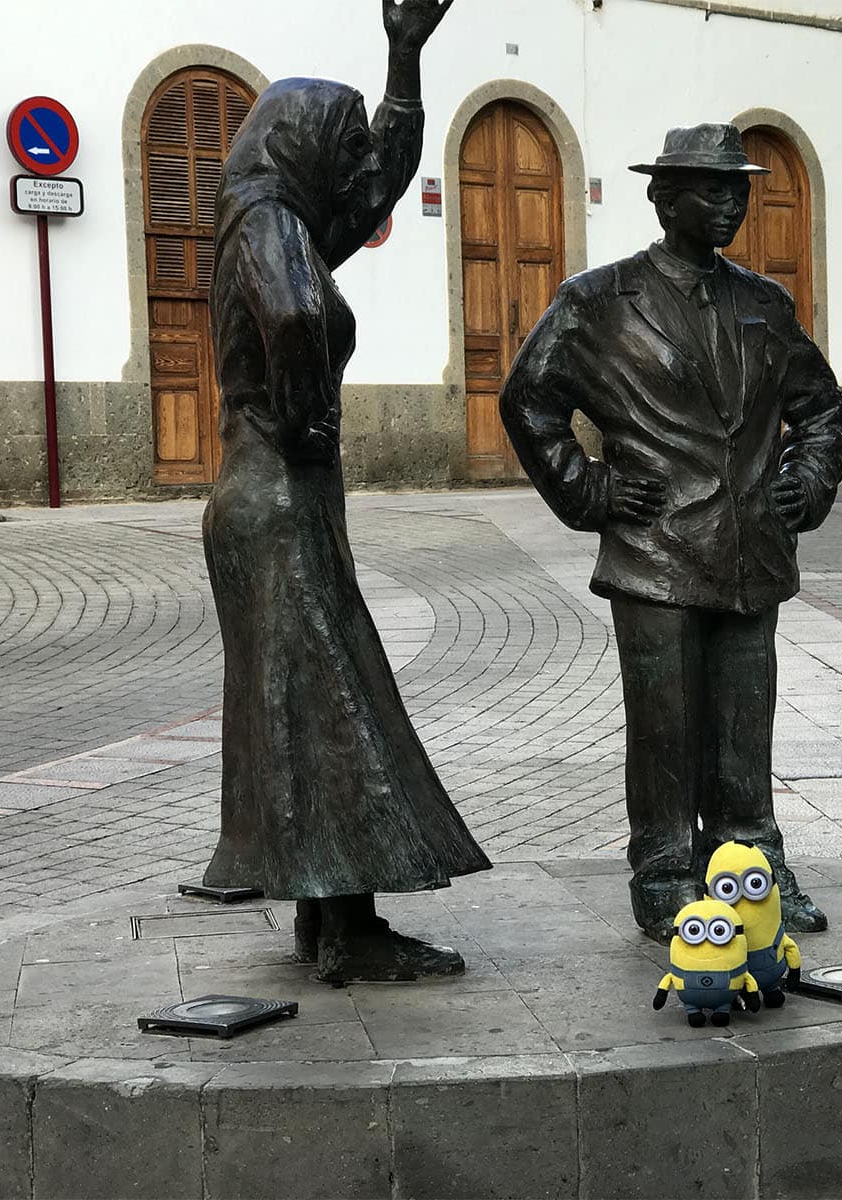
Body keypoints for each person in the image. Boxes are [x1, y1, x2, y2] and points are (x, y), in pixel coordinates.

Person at [499, 124, 842, 942]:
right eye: (711, 189)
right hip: (654, 551)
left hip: (751, 545)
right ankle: (664, 872)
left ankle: (752, 863)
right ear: (663, 199)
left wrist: (809, 477)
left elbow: (822, 407)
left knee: (742, 721)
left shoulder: (765, 303)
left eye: (739, 189)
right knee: (664, 726)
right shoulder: (598, 301)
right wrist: (588, 493)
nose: (730, 203)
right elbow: (529, 399)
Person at [202, 0, 491, 984]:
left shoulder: (267, 215)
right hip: (276, 493)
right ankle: (352, 929)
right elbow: (289, 318)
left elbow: (372, 192)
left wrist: (402, 58)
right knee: (335, 705)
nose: (345, 171)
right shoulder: (270, 226)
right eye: (335, 146)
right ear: (299, 151)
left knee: (308, 709)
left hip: (265, 497)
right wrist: (309, 422)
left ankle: (330, 921)